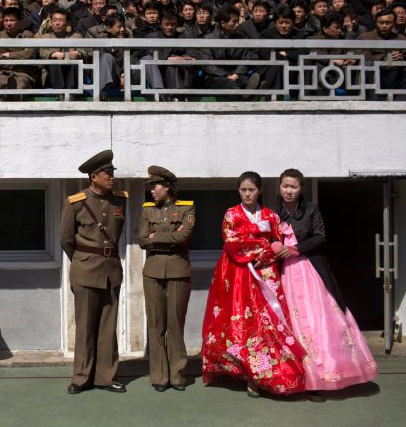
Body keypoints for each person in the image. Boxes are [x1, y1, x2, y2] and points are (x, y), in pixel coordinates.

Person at [201, 171, 306, 398]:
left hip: (267, 275)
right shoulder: (231, 214)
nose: (247, 194)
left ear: (259, 191)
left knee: (269, 322)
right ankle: (250, 375)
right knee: (244, 324)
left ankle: (271, 374)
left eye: (251, 190)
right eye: (243, 190)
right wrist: (262, 249)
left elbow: (278, 241)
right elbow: (232, 243)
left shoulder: (271, 216)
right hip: (239, 275)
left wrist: (268, 252)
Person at [276, 169, 378, 395]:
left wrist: (295, 249)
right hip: (283, 275)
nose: (289, 190)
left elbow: (320, 237)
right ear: (279, 187)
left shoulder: (311, 209)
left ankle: (322, 376)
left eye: (293, 186)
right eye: (285, 186)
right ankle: (296, 377)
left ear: (301, 188)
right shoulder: (273, 212)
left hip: (310, 271)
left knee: (318, 322)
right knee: (291, 323)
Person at [59, 149, 127, 394]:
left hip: (111, 270)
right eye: (107, 173)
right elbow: (65, 239)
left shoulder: (120, 200)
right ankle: (81, 377)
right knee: (85, 327)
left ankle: (105, 377)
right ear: (93, 177)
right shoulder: (75, 202)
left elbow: (116, 234)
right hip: (86, 271)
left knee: (108, 328)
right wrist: (83, 259)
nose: (112, 177)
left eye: (112, 173)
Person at [138, 166, 195, 392]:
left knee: (175, 324)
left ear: (167, 187)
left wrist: (156, 237)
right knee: (156, 325)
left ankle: (177, 375)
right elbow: (142, 240)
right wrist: (165, 238)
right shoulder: (147, 210)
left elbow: (183, 236)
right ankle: (160, 376)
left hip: (178, 271)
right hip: (152, 272)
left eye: (156, 186)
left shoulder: (186, 208)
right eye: (151, 186)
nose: (152, 190)